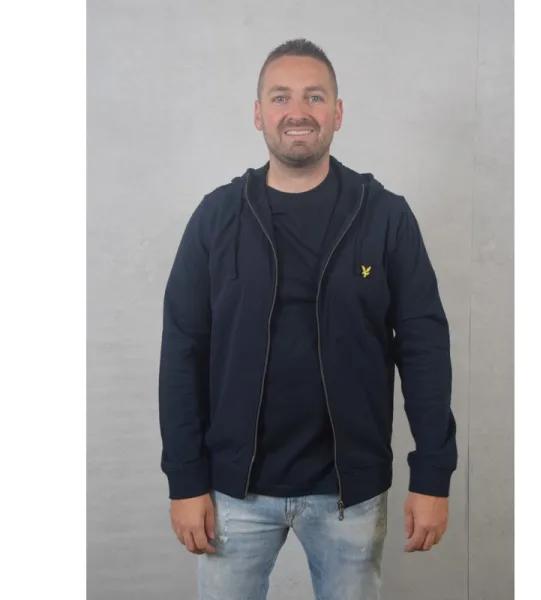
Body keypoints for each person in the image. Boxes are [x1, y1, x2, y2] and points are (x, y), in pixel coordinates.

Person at [158, 38, 457, 600]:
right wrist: (185, 479)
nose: (297, 111)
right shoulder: (216, 218)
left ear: (337, 112)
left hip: (350, 494)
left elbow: (425, 350)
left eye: (314, 97)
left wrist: (433, 475)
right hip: (232, 492)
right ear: (258, 113)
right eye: (280, 97)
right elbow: (182, 352)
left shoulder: (385, 217)